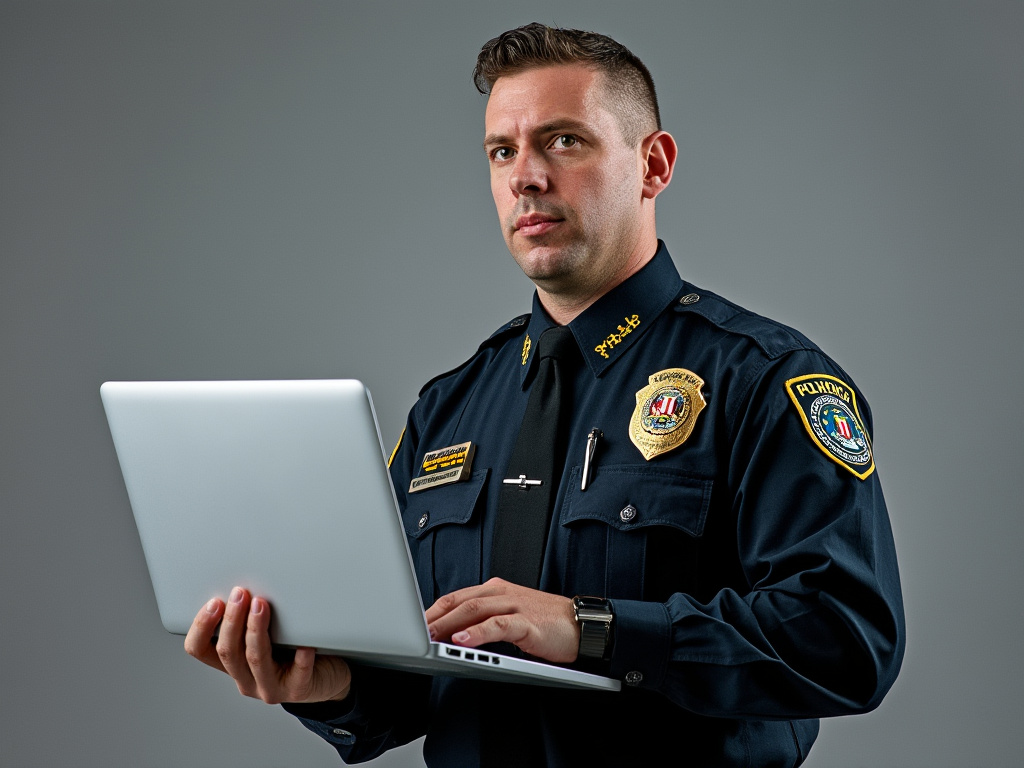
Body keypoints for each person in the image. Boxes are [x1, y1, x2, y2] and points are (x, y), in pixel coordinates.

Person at [184, 23, 905, 767]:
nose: (526, 176)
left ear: (652, 165)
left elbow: (847, 642)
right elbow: (416, 687)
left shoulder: (762, 379)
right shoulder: (449, 409)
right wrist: (327, 686)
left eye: (563, 141)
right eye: (503, 151)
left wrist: (593, 629)